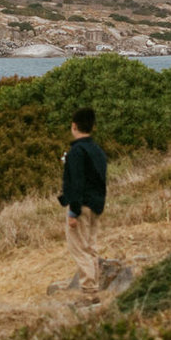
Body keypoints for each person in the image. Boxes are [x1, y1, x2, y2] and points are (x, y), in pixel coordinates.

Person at [59, 105, 108, 291]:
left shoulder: (76, 152)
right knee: (91, 247)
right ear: (92, 126)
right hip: (96, 204)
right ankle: (94, 285)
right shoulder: (97, 150)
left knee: (79, 249)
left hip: (81, 206)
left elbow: (76, 183)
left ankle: (89, 289)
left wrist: (73, 210)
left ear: (74, 126)